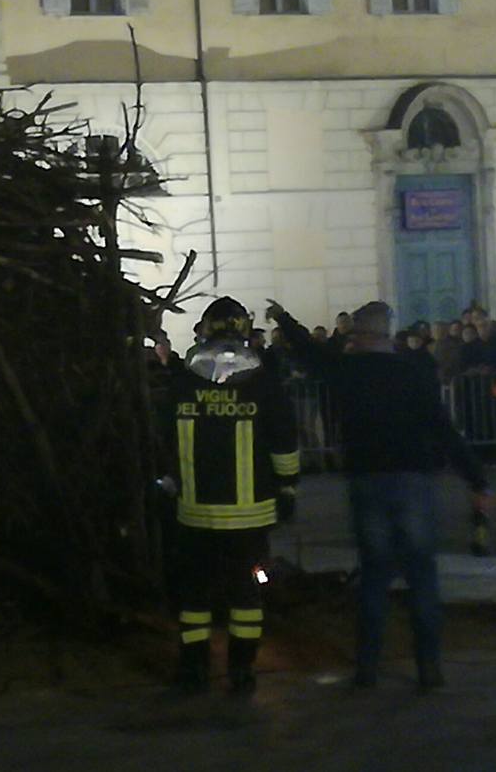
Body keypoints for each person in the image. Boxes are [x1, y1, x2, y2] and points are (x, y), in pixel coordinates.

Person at [269, 299, 488, 691]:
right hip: (413, 477)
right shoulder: (412, 372)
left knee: (374, 575)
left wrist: (284, 319)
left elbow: (309, 353)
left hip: (367, 478)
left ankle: (367, 667)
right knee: (421, 575)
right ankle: (429, 667)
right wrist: (476, 479)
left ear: (360, 334)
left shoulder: (348, 370)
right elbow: (442, 427)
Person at [158, 296, 299, 697]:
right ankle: (241, 670)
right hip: (250, 518)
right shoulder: (264, 383)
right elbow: (284, 444)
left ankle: (194, 669)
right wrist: (287, 489)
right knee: (246, 596)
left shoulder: (183, 383)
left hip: (194, 514)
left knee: (194, 597)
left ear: (205, 330)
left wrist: (166, 487)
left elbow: (162, 441)